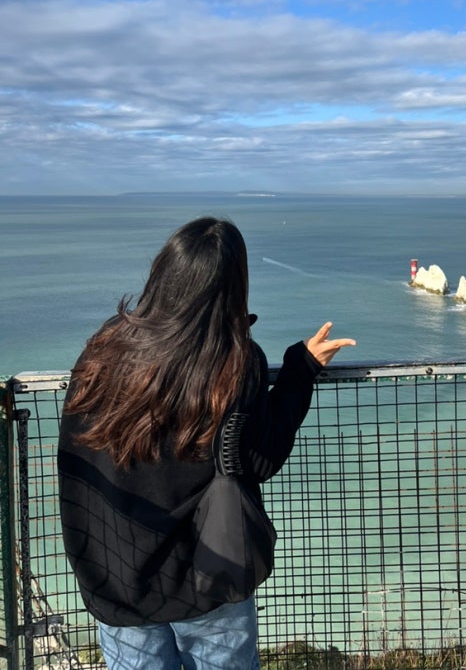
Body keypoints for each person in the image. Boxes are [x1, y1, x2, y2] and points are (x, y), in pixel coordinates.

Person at [57, 216, 355, 670]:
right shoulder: (234, 363)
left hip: (116, 575)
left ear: (163, 274)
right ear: (233, 287)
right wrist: (301, 368)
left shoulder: (107, 347)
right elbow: (259, 458)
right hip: (204, 575)